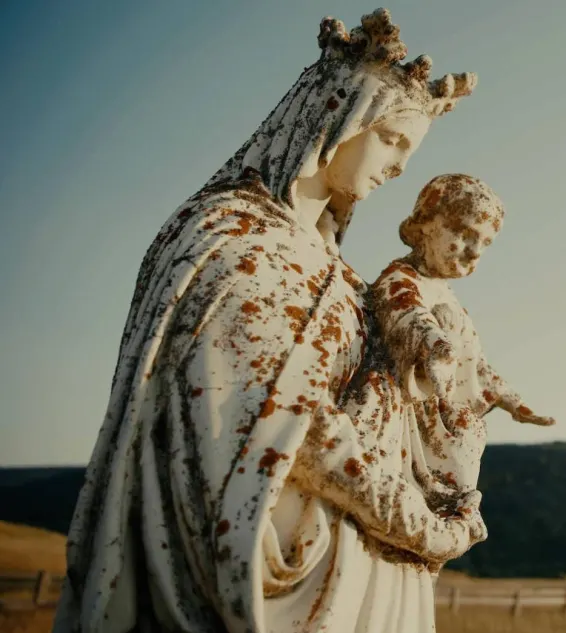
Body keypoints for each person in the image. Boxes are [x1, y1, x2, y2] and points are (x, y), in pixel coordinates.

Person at [55, 10, 484, 633]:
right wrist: (424, 529)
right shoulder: (238, 243)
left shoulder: (339, 270)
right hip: (263, 575)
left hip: (356, 570)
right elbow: (290, 425)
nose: (398, 168)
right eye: (392, 140)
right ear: (339, 118)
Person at [369, 174, 555, 510]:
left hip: (453, 413)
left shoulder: (450, 298)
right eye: (465, 235)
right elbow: (408, 315)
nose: (474, 252)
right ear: (426, 224)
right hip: (415, 411)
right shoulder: (402, 278)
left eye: (485, 244)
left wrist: (512, 400)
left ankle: (455, 498)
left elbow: (476, 362)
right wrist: (435, 344)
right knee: (453, 439)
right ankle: (437, 494)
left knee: (467, 435)